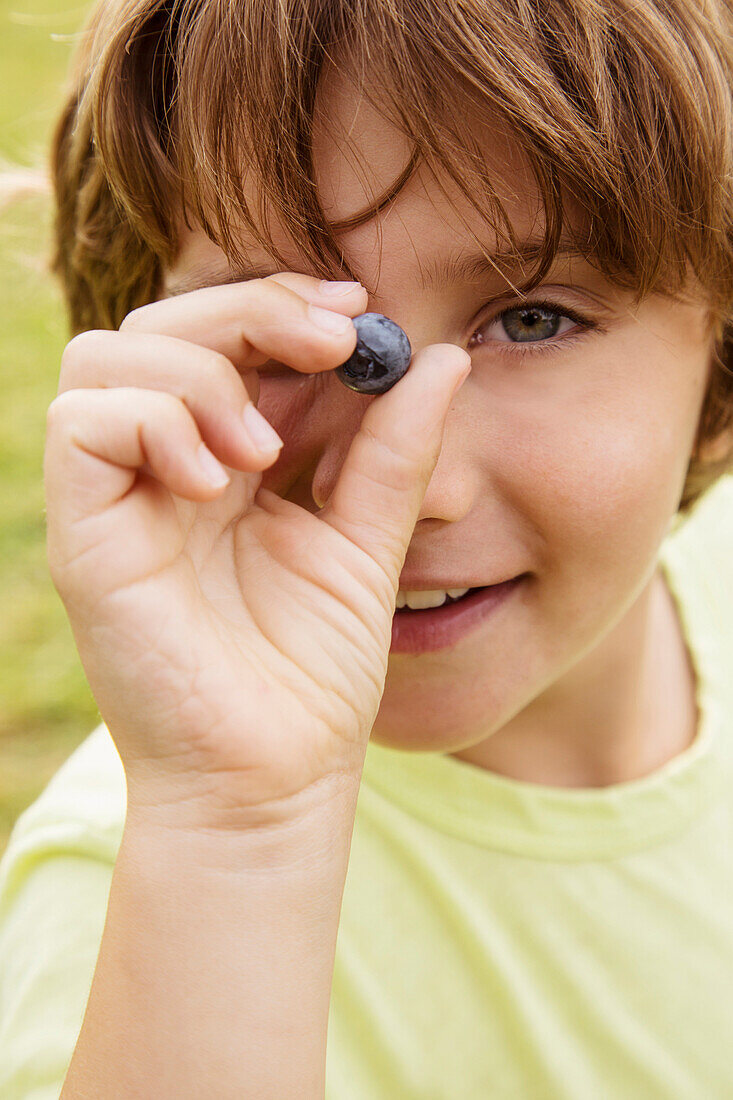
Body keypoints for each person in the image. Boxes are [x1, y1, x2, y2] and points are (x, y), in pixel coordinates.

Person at [1, 0, 732, 1095]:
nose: (407, 488)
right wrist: (237, 827)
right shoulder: (135, 904)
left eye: (533, 319)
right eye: (285, 336)